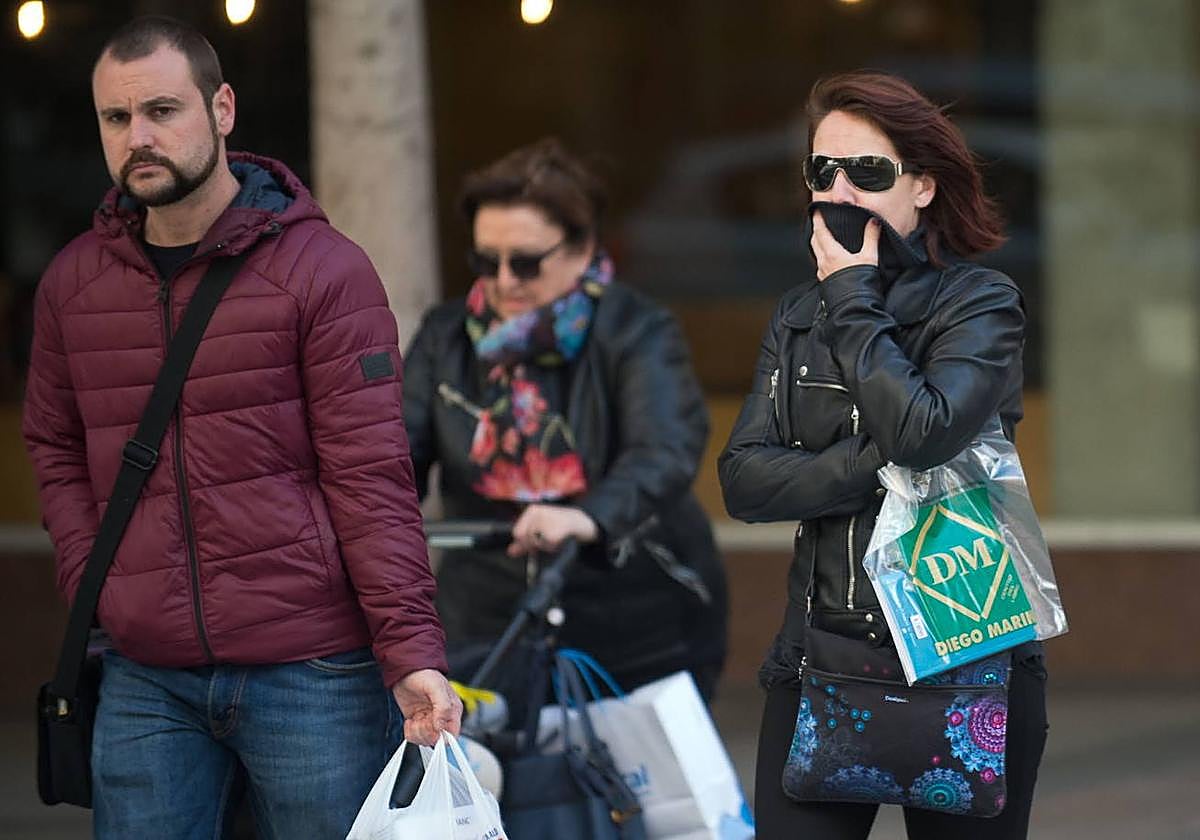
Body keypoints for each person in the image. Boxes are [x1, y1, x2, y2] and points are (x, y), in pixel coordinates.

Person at [21, 16, 461, 838]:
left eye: (162, 110)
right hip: (146, 673)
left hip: (312, 668)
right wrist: (97, 586)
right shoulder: (74, 286)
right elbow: (53, 443)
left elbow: (371, 476)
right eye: (116, 119)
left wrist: (410, 652)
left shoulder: (323, 271)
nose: (138, 137)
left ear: (222, 108)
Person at [718, 72, 1047, 839]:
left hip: (968, 654)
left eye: (868, 172)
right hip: (821, 654)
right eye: (821, 170)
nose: (840, 190)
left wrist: (855, 296)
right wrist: (882, 462)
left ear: (923, 186)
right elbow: (744, 480)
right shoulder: (800, 315)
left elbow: (924, 432)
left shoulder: (981, 305)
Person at [402, 138, 727, 704]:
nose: (504, 280)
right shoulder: (445, 335)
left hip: (638, 619)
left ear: (581, 250)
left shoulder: (636, 329)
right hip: (486, 622)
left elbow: (666, 448)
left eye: (526, 262)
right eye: (485, 261)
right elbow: (396, 455)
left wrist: (585, 518)